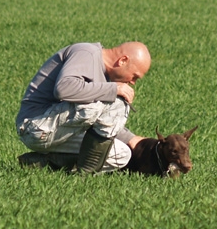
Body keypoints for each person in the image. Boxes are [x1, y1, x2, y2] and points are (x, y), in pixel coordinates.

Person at [15, 41, 151, 173]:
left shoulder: (105, 77)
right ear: (123, 60)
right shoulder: (86, 53)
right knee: (116, 100)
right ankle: (84, 174)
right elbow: (63, 88)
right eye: (135, 76)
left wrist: (134, 141)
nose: (133, 82)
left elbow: (102, 121)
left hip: (59, 130)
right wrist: (113, 89)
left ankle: (44, 162)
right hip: (35, 126)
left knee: (121, 154)